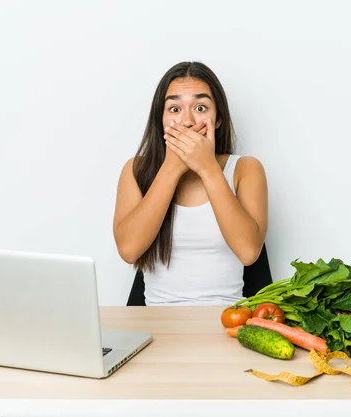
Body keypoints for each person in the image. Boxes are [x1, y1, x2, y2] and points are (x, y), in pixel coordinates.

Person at [113, 61, 268, 306]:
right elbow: (129, 250)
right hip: (155, 323)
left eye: (200, 107)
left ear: (218, 119)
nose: (187, 121)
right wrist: (172, 167)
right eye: (174, 109)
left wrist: (208, 168)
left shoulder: (246, 169)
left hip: (226, 322)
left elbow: (249, 253)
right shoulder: (136, 169)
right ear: (160, 120)